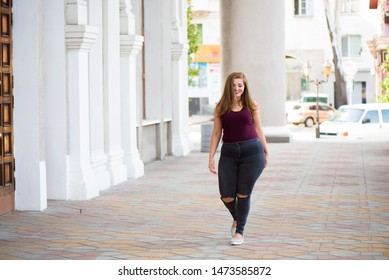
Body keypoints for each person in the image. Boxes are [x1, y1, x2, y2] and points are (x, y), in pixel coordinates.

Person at [208, 72, 269, 245]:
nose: (237, 88)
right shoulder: (221, 107)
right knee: (226, 195)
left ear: (244, 86)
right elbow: (216, 132)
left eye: (240, 85)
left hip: (252, 152)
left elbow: (258, 129)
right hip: (228, 153)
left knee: (243, 193)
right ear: (229, 86)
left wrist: (266, 150)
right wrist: (211, 156)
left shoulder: (251, 104)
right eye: (234, 85)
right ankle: (237, 218)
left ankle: (239, 232)